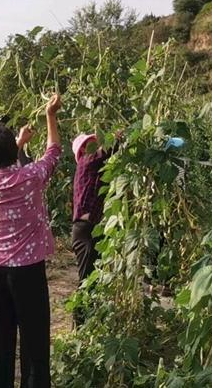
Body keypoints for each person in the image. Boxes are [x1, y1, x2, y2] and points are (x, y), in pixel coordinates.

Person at [0, 94, 62, 388]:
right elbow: (53, 151)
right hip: (27, 271)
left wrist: (18, 144)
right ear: (12, 150)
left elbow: (5, 162)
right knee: (35, 340)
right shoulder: (31, 176)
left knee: (0, 341)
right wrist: (50, 115)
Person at [69, 131, 120, 323]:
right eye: (92, 142)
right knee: (87, 280)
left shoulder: (94, 168)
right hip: (85, 230)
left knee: (93, 278)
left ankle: (89, 323)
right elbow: (107, 150)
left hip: (90, 228)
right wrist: (118, 136)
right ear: (83, 149)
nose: (97, 144)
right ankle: (79, 325)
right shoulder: (87, 161)